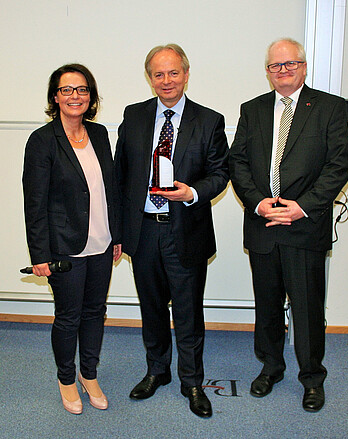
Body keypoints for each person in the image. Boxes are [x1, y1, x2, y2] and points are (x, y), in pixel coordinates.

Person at [229, 38, 348, 412]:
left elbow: (339, 165)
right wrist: (257, 202)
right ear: (267, 71)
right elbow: (238, 163)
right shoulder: (252, 110)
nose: (282, 71)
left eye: (289, 64)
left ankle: (313, 378)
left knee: (308, 310)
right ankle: (271, 367)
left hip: (304, 226)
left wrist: (303, 207)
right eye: (274, 66)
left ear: (303, 66)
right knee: (266, 305)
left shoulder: (329, 108)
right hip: (264, 223)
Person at [115, 44, 229, 418]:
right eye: (158, 74)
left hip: (185, 230)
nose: (167, 81)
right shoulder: (133, 117)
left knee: (187, 311)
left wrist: (191, 192)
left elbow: (220, 174)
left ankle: (192, 381)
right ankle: (156, 371)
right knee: (151, 308)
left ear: (186, 73)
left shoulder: (209, 120)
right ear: (150, 78)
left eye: (173, 72)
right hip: (143, 231)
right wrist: (117, 231)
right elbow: (120, 176)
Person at [22, 64, 122, 415]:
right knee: (68, 316)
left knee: (96, 312)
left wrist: (117, 234)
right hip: (64, 247)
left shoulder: (99, 134)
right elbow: (34, 202)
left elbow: (110, 188)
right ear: (55, 97)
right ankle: (67, 380)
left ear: (91, 97)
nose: (75, 96)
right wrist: (40, 253)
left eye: (81, 90)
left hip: (102, 241)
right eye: (67, 90)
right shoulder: (42, 141)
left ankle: (89, 374)